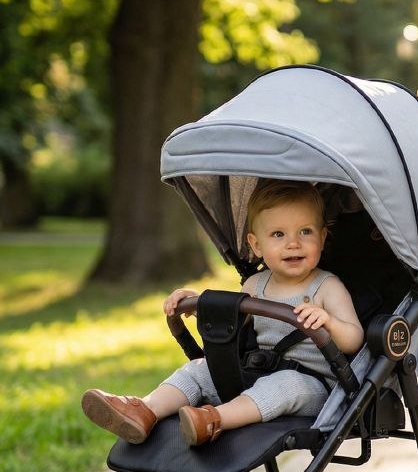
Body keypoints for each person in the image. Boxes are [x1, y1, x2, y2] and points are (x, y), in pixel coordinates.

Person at [82, 180, 364, 447]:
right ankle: (145, 410)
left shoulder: (326, 287)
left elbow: (354, 340)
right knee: (199, 369)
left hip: (311, 385)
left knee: (284, 385)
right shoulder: (255, 284)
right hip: (256, 373)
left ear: (322, 237)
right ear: (256, 244)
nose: (294, 243)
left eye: (305, 232)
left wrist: (329, 322)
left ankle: (213, 420)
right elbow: (234, 322)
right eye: (278, 234)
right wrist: (201, 305)